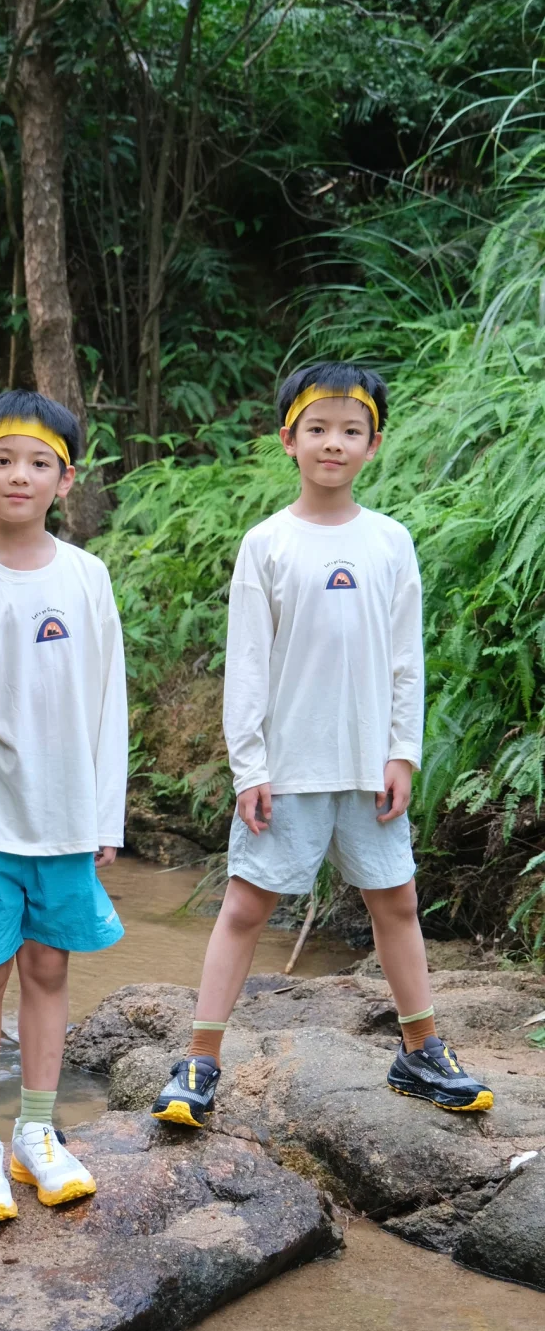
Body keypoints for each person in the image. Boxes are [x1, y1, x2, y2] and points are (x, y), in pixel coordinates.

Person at [150, 361, 493, 1127]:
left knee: (396, 900)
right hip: (289, 766)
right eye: (317, 429)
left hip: (370, 767)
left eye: (350, 430)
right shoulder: (267, 544)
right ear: (288, 440)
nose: (333, 443)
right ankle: (200, 1061)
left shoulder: (390, 541)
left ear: (374, 443)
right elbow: (246, 667)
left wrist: (402, 751)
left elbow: (408, 659)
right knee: (244, 904)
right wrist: (251, 766)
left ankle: (421, 1050)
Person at [0, 388, 128, 1227]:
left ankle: (35, 1131)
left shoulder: (88, 578)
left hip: (68, 818)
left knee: (49, 971)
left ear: (64, 480)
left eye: (39, 462)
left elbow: (110, 699)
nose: (20, 475)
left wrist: (105, 815)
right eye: (3, 459)